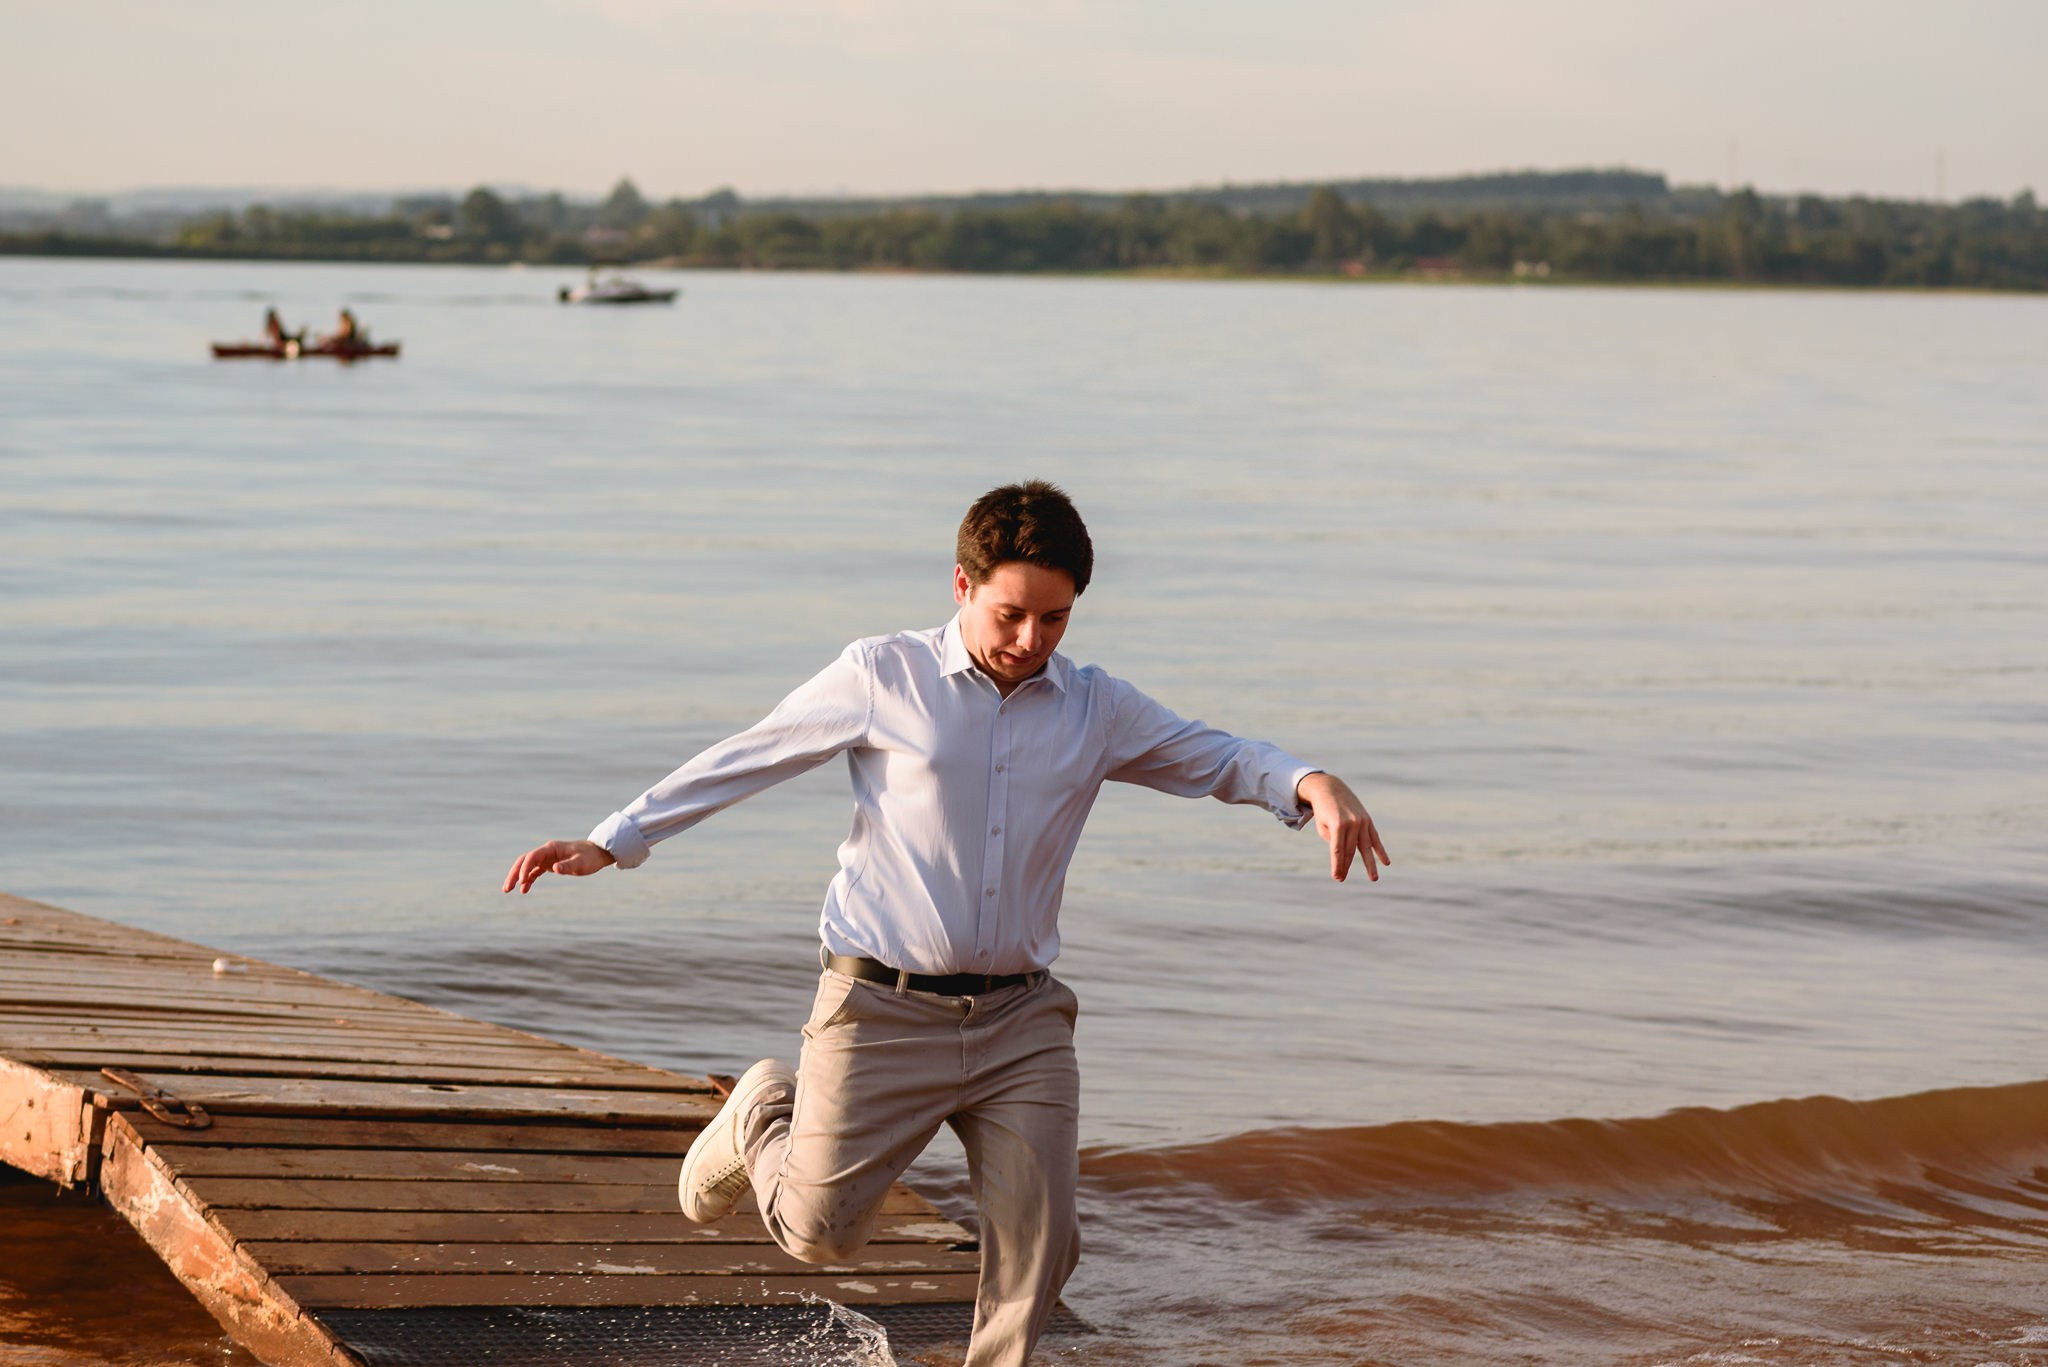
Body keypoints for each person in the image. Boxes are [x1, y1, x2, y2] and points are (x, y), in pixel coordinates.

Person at [503, 480, 1388, 1366]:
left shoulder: (1096, 708)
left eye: (1055, 619)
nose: (1030, 641)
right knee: (819, 1233)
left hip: (1021, 1021)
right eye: (1011, 614)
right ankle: (761, 1111)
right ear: (961, 586)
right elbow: (749, 755)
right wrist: (613, 841)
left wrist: (1310, 783)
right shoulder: (882, 674)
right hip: (880, 1009)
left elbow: (1220, 755)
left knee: (1042, 1247)